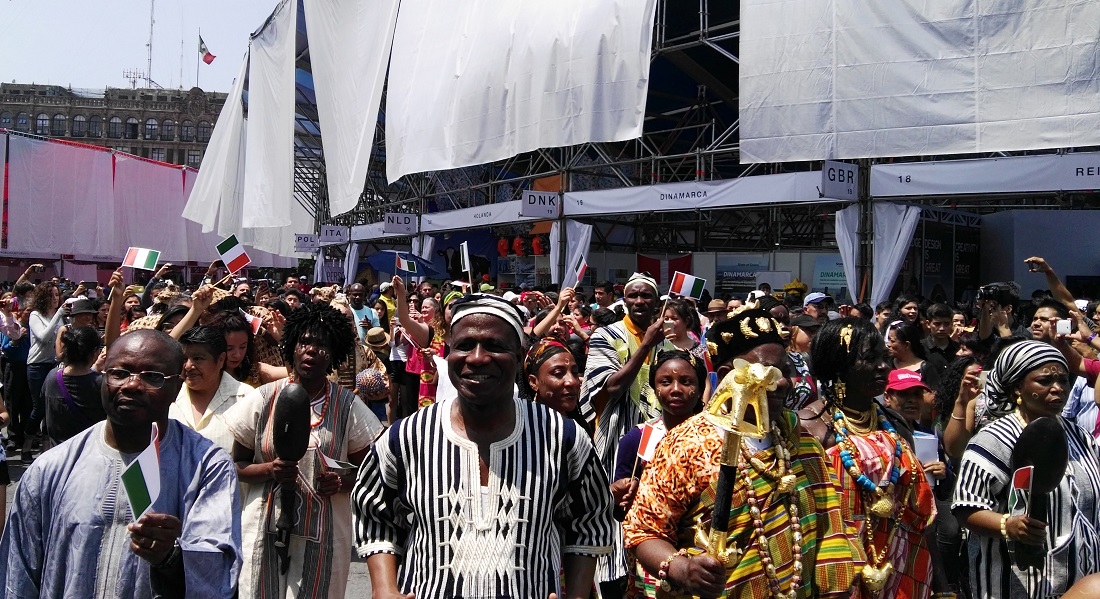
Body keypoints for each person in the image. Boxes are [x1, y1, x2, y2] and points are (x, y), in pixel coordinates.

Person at [353, 293, 615, 599]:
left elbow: (590, 520)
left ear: (518, 357)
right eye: (464, 345)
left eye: (494, 346)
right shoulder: (406, 437)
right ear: (448, 353)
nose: (477, 358)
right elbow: (375, 513)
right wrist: (384, 589)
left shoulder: (562, 438)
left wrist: (577, 595)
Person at [622, 307, 863, 598]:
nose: (784, 382)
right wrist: (682, 569)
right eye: (768, 371)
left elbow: (829, 528)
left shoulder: (801, 441)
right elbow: (643, 531)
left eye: (785, 371)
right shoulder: (687, 443)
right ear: (728, 375)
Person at [0, 329, 242, 597]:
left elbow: (218, 569)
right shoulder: (51, 468)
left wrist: (171, 557)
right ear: (102, 378)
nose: (132, 385)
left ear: (177, 386)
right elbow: (17, 573)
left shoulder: (208, 467)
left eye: (153, 377)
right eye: (119, 373)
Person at [225, 302, 383, 599]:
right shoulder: (263, 399)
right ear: (292, 347)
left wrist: (342, 481)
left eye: (321, 345)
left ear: (333, 354)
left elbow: (371, 472)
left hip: (324, 536)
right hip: (263, 529)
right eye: (305, 342)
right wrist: (269, 470)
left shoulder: (348, 407)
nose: (311, 350)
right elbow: (237, 465)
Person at [952, 340, 1100, 598]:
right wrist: (1006, 525)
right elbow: (966, 507)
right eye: (1044, 381)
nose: (1058, 389)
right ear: (1017, 388)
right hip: (1018, 584)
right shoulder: (994, 439)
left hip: (1082, 580)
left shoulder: (1081, 436)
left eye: (1063, 381)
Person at [806, 318, 936, 598]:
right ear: (838, 365)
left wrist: (943, 587)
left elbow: (918, 512)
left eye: (885, 357)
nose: (883, 367)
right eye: (869, 358)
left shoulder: (895, 425)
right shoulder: (810, 427)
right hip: (835, 570)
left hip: (901, 565)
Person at [579, 272, 666, 595]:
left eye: (646, 297)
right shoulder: (607, 335)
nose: (640, 302)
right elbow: (610, 388)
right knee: (614, 513)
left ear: (657, 303)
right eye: (634, 296)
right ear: (624, 301)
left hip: (660, 444)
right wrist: (646, 346)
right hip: (617, 443)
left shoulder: (666, 341)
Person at [610, 349, 705, 522]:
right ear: (655, 390)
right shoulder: (637, 438)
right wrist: (621, 495)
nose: (676, 389)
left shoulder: (714, 436)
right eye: (666, 382)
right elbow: (620, 511)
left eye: (685, 382)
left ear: (699, 390)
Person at [169, 326, 254, 454]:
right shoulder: (168, 396)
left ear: (220, 360)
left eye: (198, 358)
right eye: (184, 359)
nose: (188, 366)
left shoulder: (245, 398)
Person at [25, 280, 67, 458]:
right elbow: (43, 337)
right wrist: (58, 315)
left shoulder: (59, 316)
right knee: (39, 407)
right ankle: (26, 446)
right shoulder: (36, 315)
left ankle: (45, 448)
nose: (55, 299)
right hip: (37, 365)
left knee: (52, 407)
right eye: (51, 295)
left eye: (57, 295)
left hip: (54, 365)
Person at [42, 325, 104, 446]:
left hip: (58, 452)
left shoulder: (52, 377)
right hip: (87, 452)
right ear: (95, 352)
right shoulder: (100, 383)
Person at [391, 276, 446, 409]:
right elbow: (404, 320)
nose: (424, 309)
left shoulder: (458, 332)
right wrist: (401, 294)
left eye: (428, 307)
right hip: (423, 379)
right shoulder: (429, 331)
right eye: (423, 307)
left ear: (437, 310)